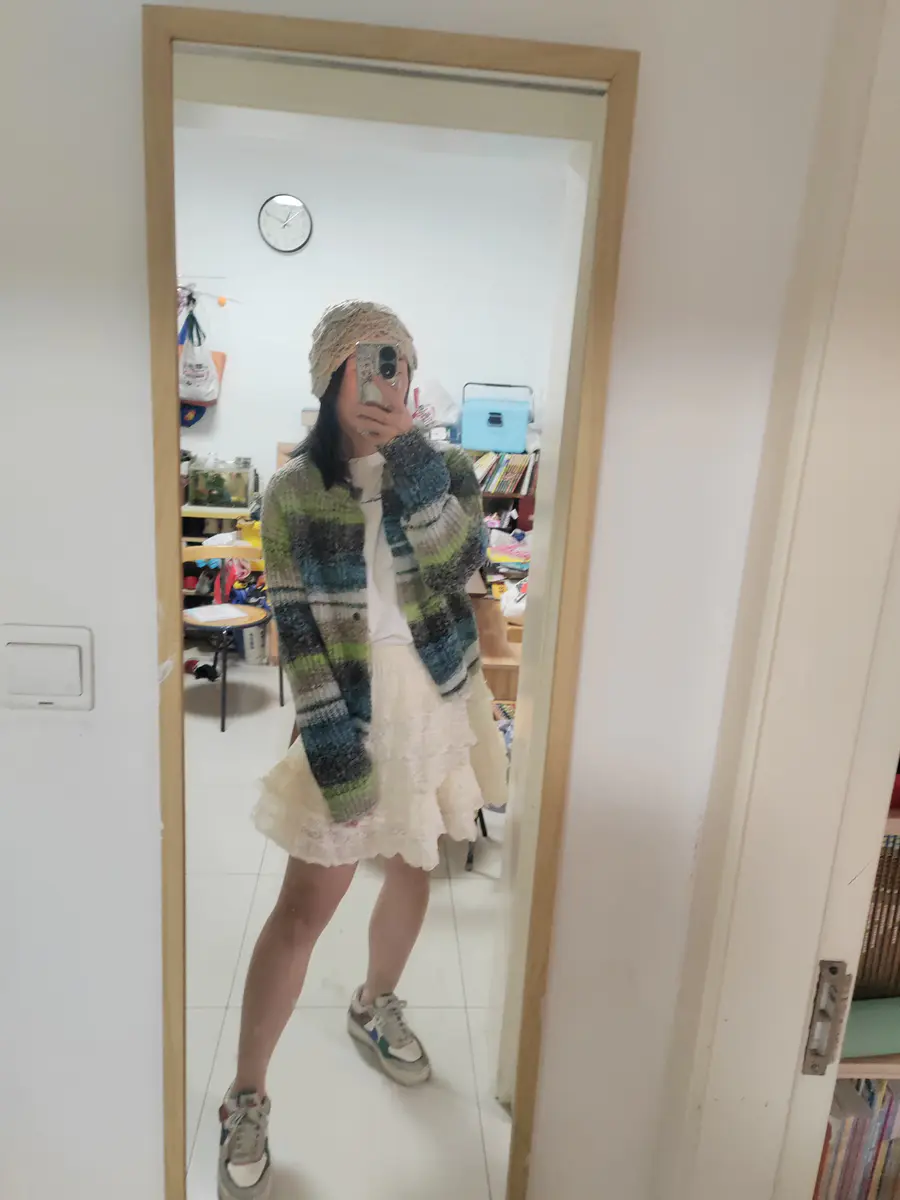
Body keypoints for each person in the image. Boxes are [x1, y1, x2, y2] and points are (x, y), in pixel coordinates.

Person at [217, 301, 508, 1200]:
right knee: (305, 905)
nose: (387, 381)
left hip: (432, 700)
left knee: (414, 866)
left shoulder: (445, 469)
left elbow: (459, 568)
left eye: (400, 365)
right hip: (344, 705)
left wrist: (412, 459)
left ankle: (374, 1002)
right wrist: (334, 748)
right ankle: (246, 1095)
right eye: (369, 364)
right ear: (330, 377)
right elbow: (295, 630)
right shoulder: (291, 492)